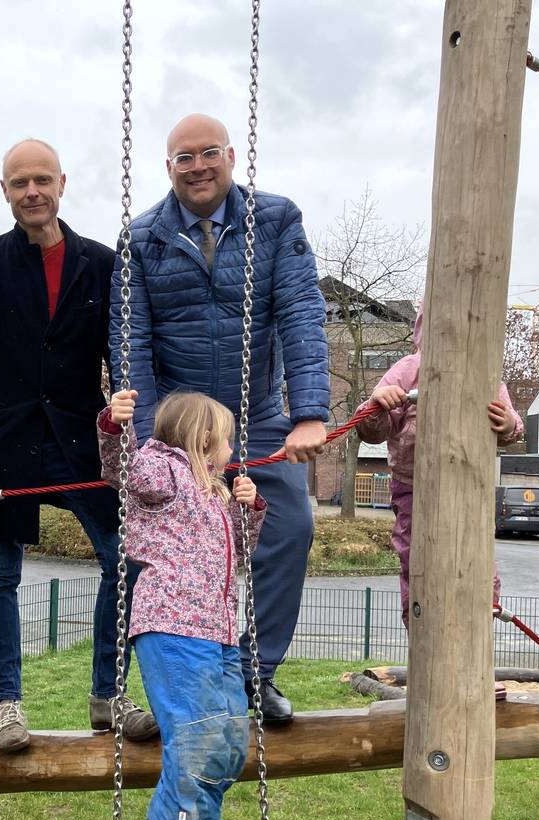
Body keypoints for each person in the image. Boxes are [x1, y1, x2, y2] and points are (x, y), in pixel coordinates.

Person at [0, 138, 157, 753]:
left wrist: (135, 415)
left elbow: (124, 354)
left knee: (124, 562)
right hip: (8, 441)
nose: (32, 192)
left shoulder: (104, 264)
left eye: (42, 181)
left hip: (84, 439)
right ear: (5, 191)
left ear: (61, 184)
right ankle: (7, 705)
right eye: (19, 182)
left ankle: (108, 694)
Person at [112, 113, 329, 722]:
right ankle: (150, 687)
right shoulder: (143, 238)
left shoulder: (275, 219)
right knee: (153, 535)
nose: (199, 166)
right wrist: (149, 434)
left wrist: (308, 413)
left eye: (209, 153)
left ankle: (257, 674)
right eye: (185, 157)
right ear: (169, 168)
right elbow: (131, 340)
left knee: (287, 523)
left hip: (255, 412)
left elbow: (302, 312)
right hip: (178, 421)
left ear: (231, 156)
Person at [98, 388, 265, 820]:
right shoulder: (162, 468)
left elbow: (242, 548)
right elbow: (122, 470)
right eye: (227, 440)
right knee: (199, 738)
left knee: (232, 738)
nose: (232, 451)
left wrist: (250, 507)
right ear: (205, 437)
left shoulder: (214, 488)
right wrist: (114, 425)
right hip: (172, 627)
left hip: (217, 634)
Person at [355, 304, 523, 627]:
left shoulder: (484, 373)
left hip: (469, 490)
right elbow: (373, 428)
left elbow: (510, 424)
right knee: (416, 559)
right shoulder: (411, 368)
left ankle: (479, 631)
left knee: (478, 565)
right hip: (414, 489)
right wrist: (378, 404)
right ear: (425, 332)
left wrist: (509, 424)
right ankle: (418, 624)